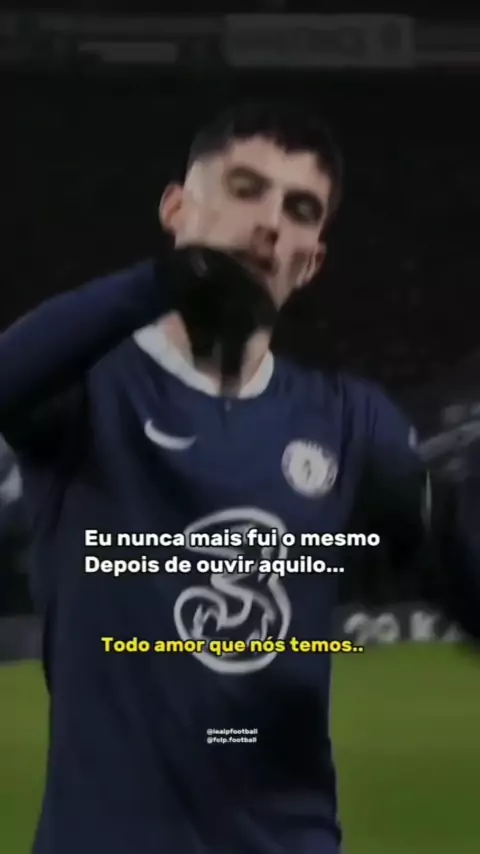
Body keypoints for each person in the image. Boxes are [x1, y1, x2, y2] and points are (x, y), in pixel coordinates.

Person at [0, 100, 479, 854]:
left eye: (300, 209)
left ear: (310, 261)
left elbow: (461, 580)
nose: (270, 223)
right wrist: (164, 281)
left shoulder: (351, 420)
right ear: (177, 209)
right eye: (245, 189)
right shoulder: (89, 389)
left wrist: (458, 531)